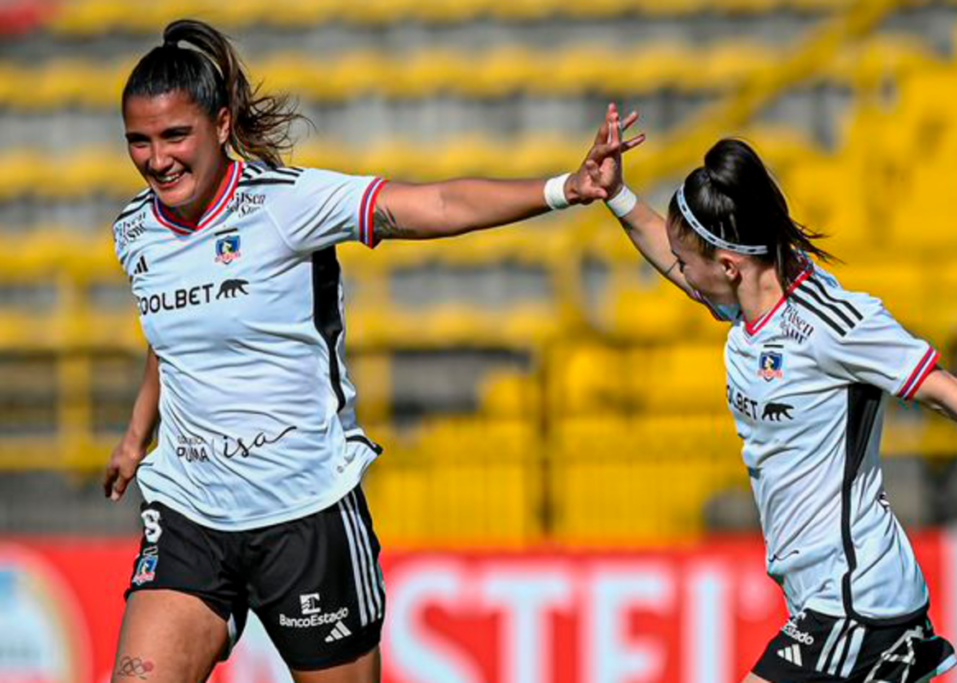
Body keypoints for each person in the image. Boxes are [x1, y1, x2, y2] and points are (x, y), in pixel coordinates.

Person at [101, 19, 642, 683]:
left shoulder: (288, 203)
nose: (158, 159)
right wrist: (136, 434)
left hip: (304, 514)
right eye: (140, 141)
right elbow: (175, 334)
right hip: (189, 510)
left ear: (218, 124)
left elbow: (436, 202)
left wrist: (566, 187)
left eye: (174, 135)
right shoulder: (135, 229)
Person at [599, 104, 957, 682]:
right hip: (824, 597)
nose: (678, 272)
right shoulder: (743, 302)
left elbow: (948, 393)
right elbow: (670, 252)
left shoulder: (831, 325)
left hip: (856, 598)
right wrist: (619, 196)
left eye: (686, 261)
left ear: (727, 265)